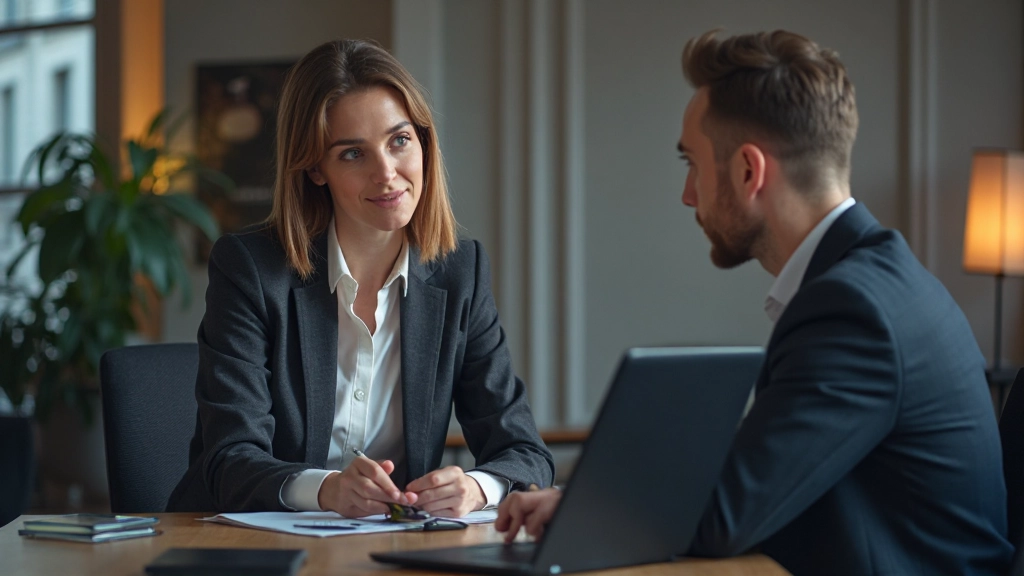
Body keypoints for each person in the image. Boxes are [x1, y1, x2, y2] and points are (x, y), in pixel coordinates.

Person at [496, 29, 1013, 575]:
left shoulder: (853, 310)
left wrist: (582, 508)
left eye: (691, 164)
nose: (687, 194)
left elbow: (726, 516)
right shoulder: (885, 280)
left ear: (749, 170)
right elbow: (764, 479)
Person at [168, 39, 554, 517]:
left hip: (387, 546)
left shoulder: (461, 272)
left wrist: (478, 488)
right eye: (353, 154)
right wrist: (326, 489)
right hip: (244, 547)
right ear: (314, 168)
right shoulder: (250, 269)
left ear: (423, 142)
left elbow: (525, 453)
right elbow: (227, 461)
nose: (387, 174)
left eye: (399, 140)